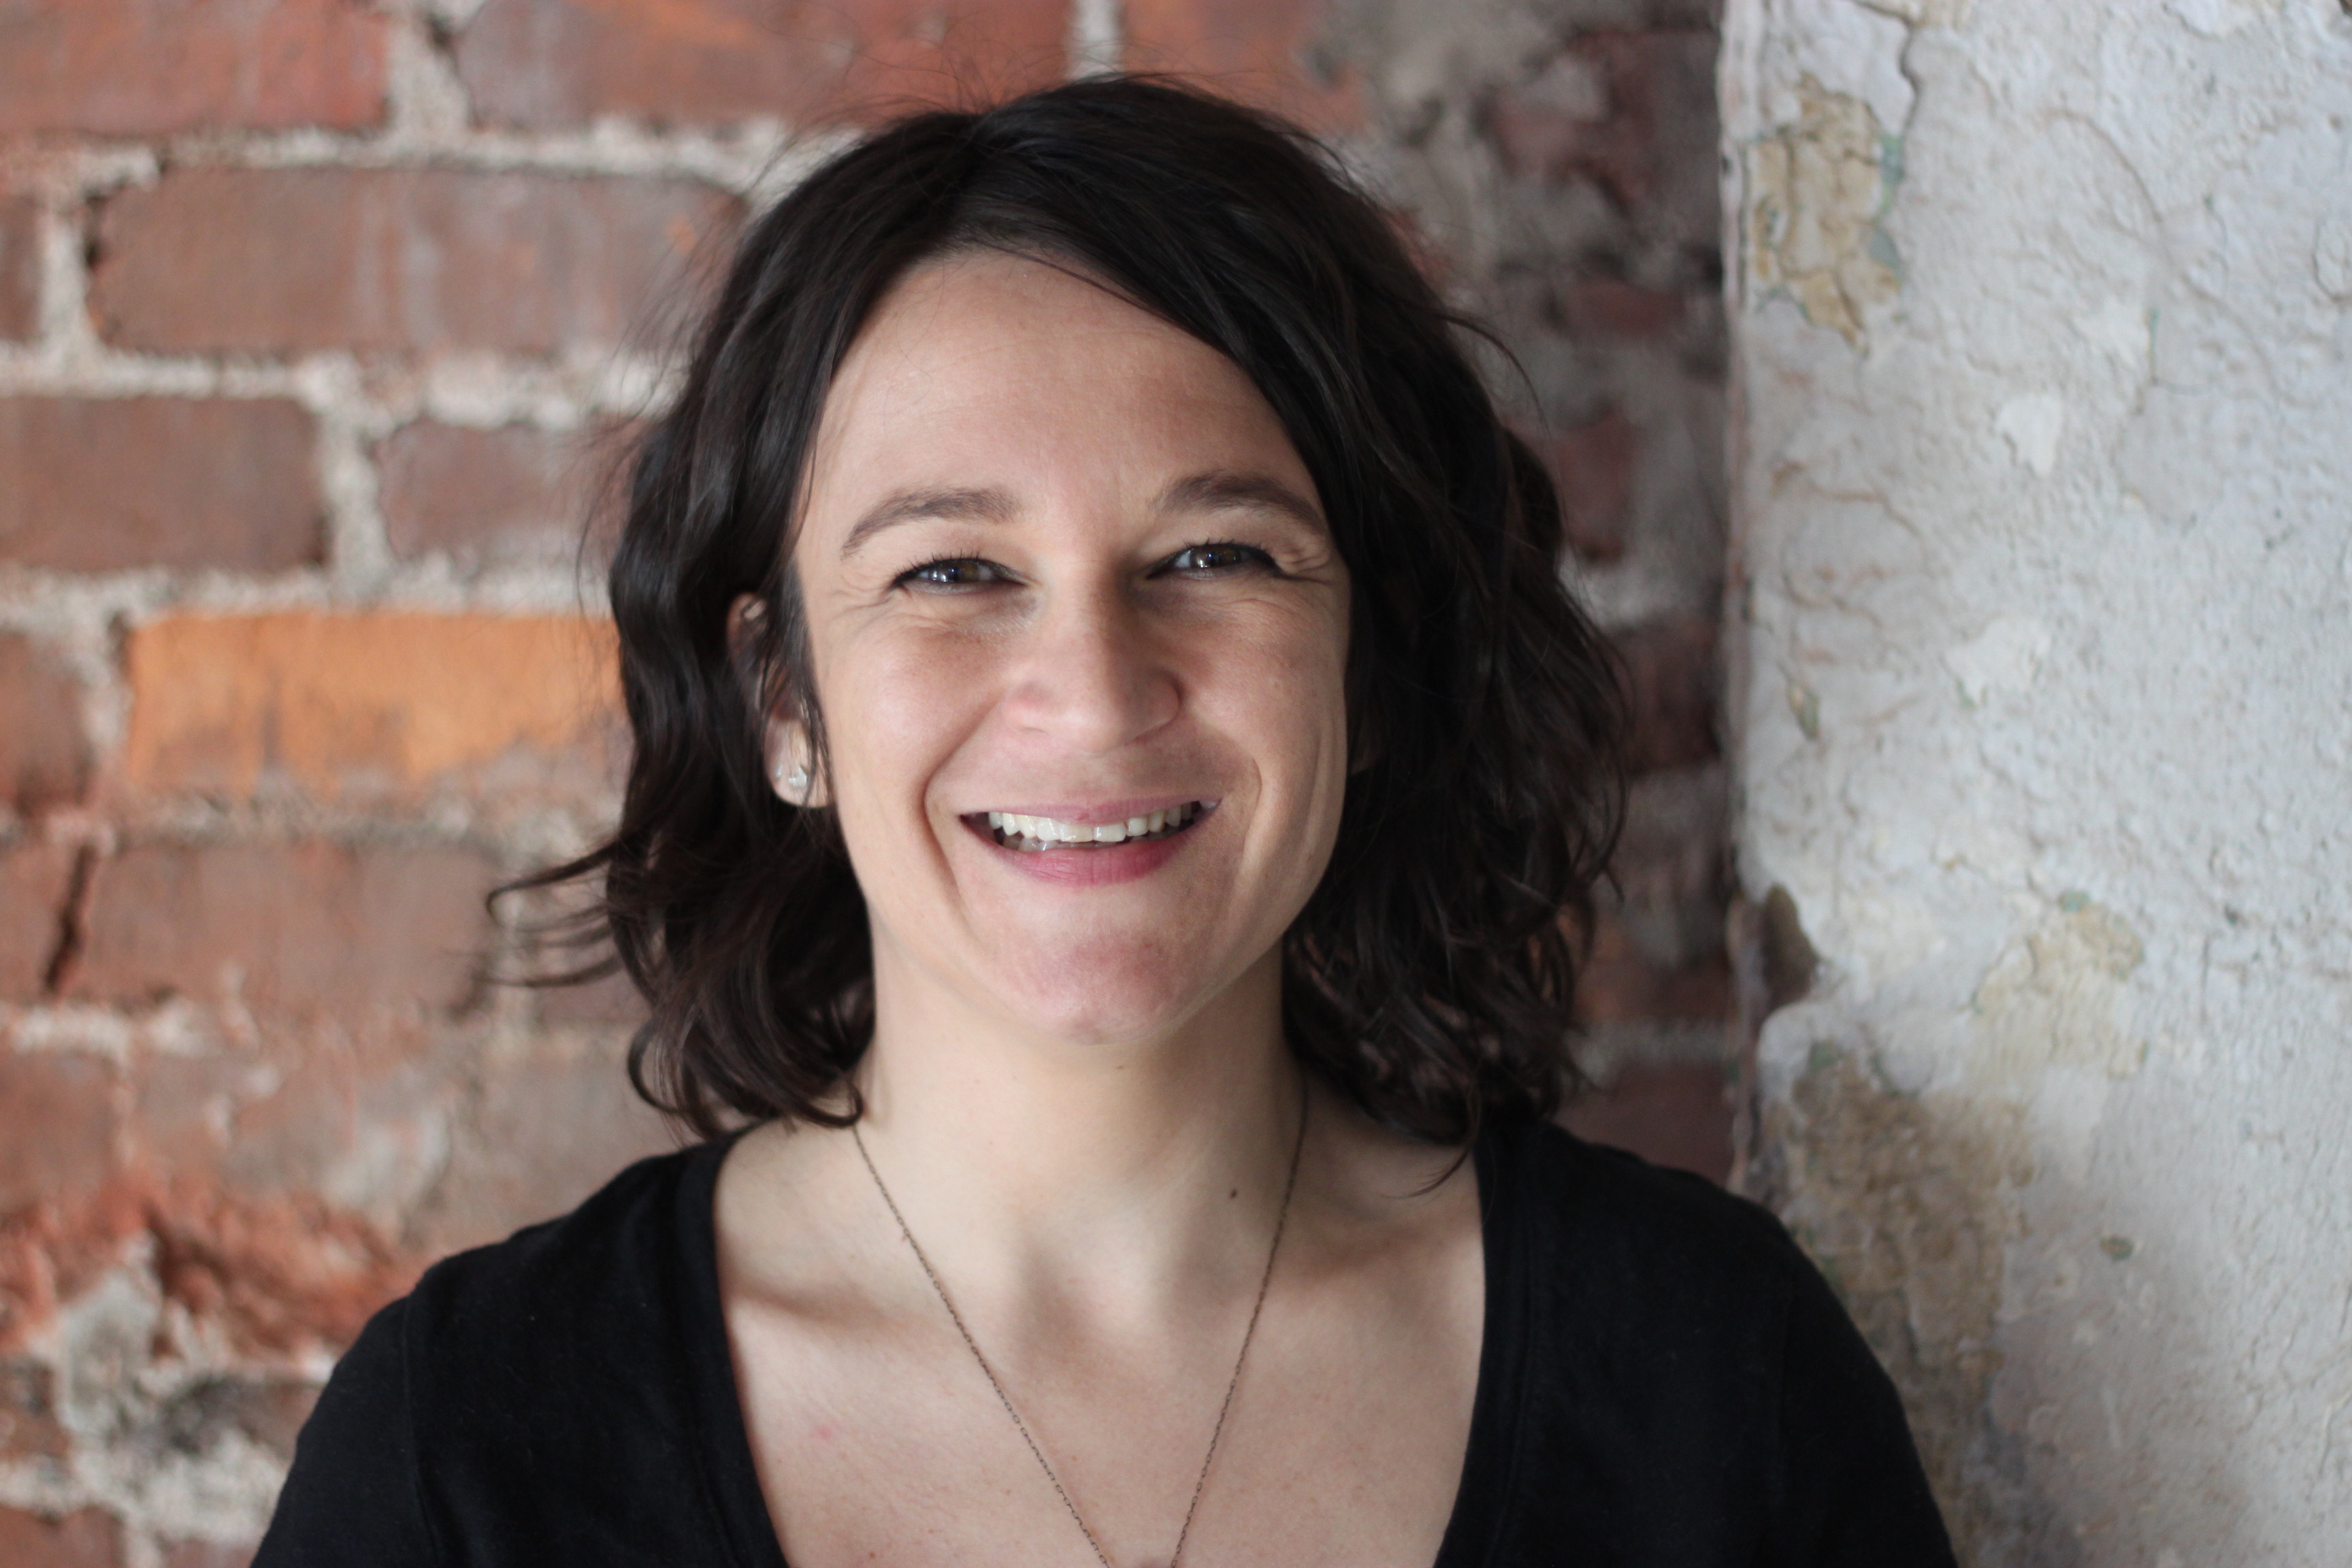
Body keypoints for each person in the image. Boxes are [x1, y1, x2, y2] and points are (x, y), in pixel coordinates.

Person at [255, 76, 1954, 1567]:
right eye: (953, 573)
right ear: (784, 704)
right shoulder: (463, 1449)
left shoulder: (1718, 1387)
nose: (1093, 691)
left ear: (1371, 664)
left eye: (1214, 556)